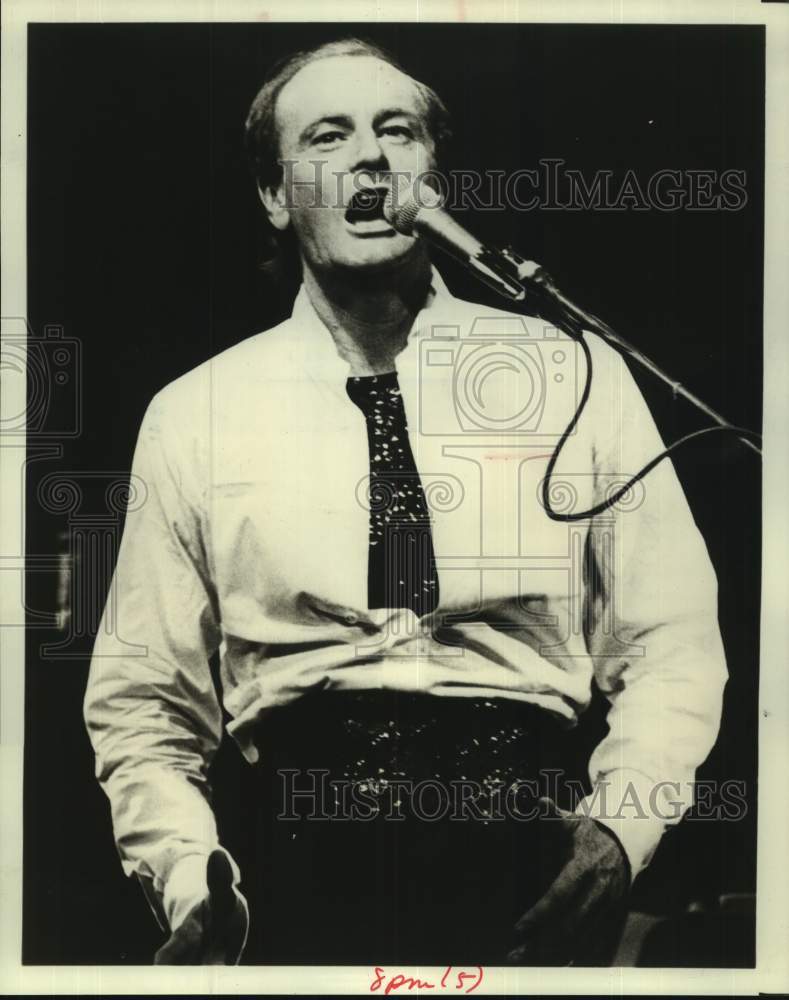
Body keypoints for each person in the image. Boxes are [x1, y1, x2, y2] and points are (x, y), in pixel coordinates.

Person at [83, 37, 728, 966]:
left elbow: (670, 640)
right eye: (328, 137)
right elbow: (143, 702)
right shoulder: (197, 413)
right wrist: (191, 877)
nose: (371, 159)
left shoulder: (571, 372)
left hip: (528, 856)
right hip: (291, 867)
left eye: (398, 131)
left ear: (434, 173)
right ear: (275, 196)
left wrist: (620, 832)